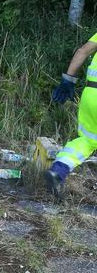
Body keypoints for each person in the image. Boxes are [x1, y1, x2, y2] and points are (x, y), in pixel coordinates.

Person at [46, 33, 97, 196]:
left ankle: (58, 170)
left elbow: (82, 51)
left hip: (90, 94)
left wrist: (68, 81)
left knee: (88, 139)